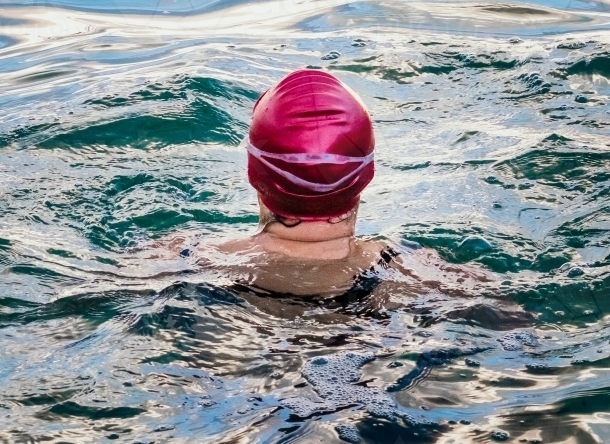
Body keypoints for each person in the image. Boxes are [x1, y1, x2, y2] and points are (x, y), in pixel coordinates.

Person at [209, 69, 529, 327]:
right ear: (363, 177)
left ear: (256, 173)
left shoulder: (191, 260)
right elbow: (530, 344)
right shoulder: (422, 274)